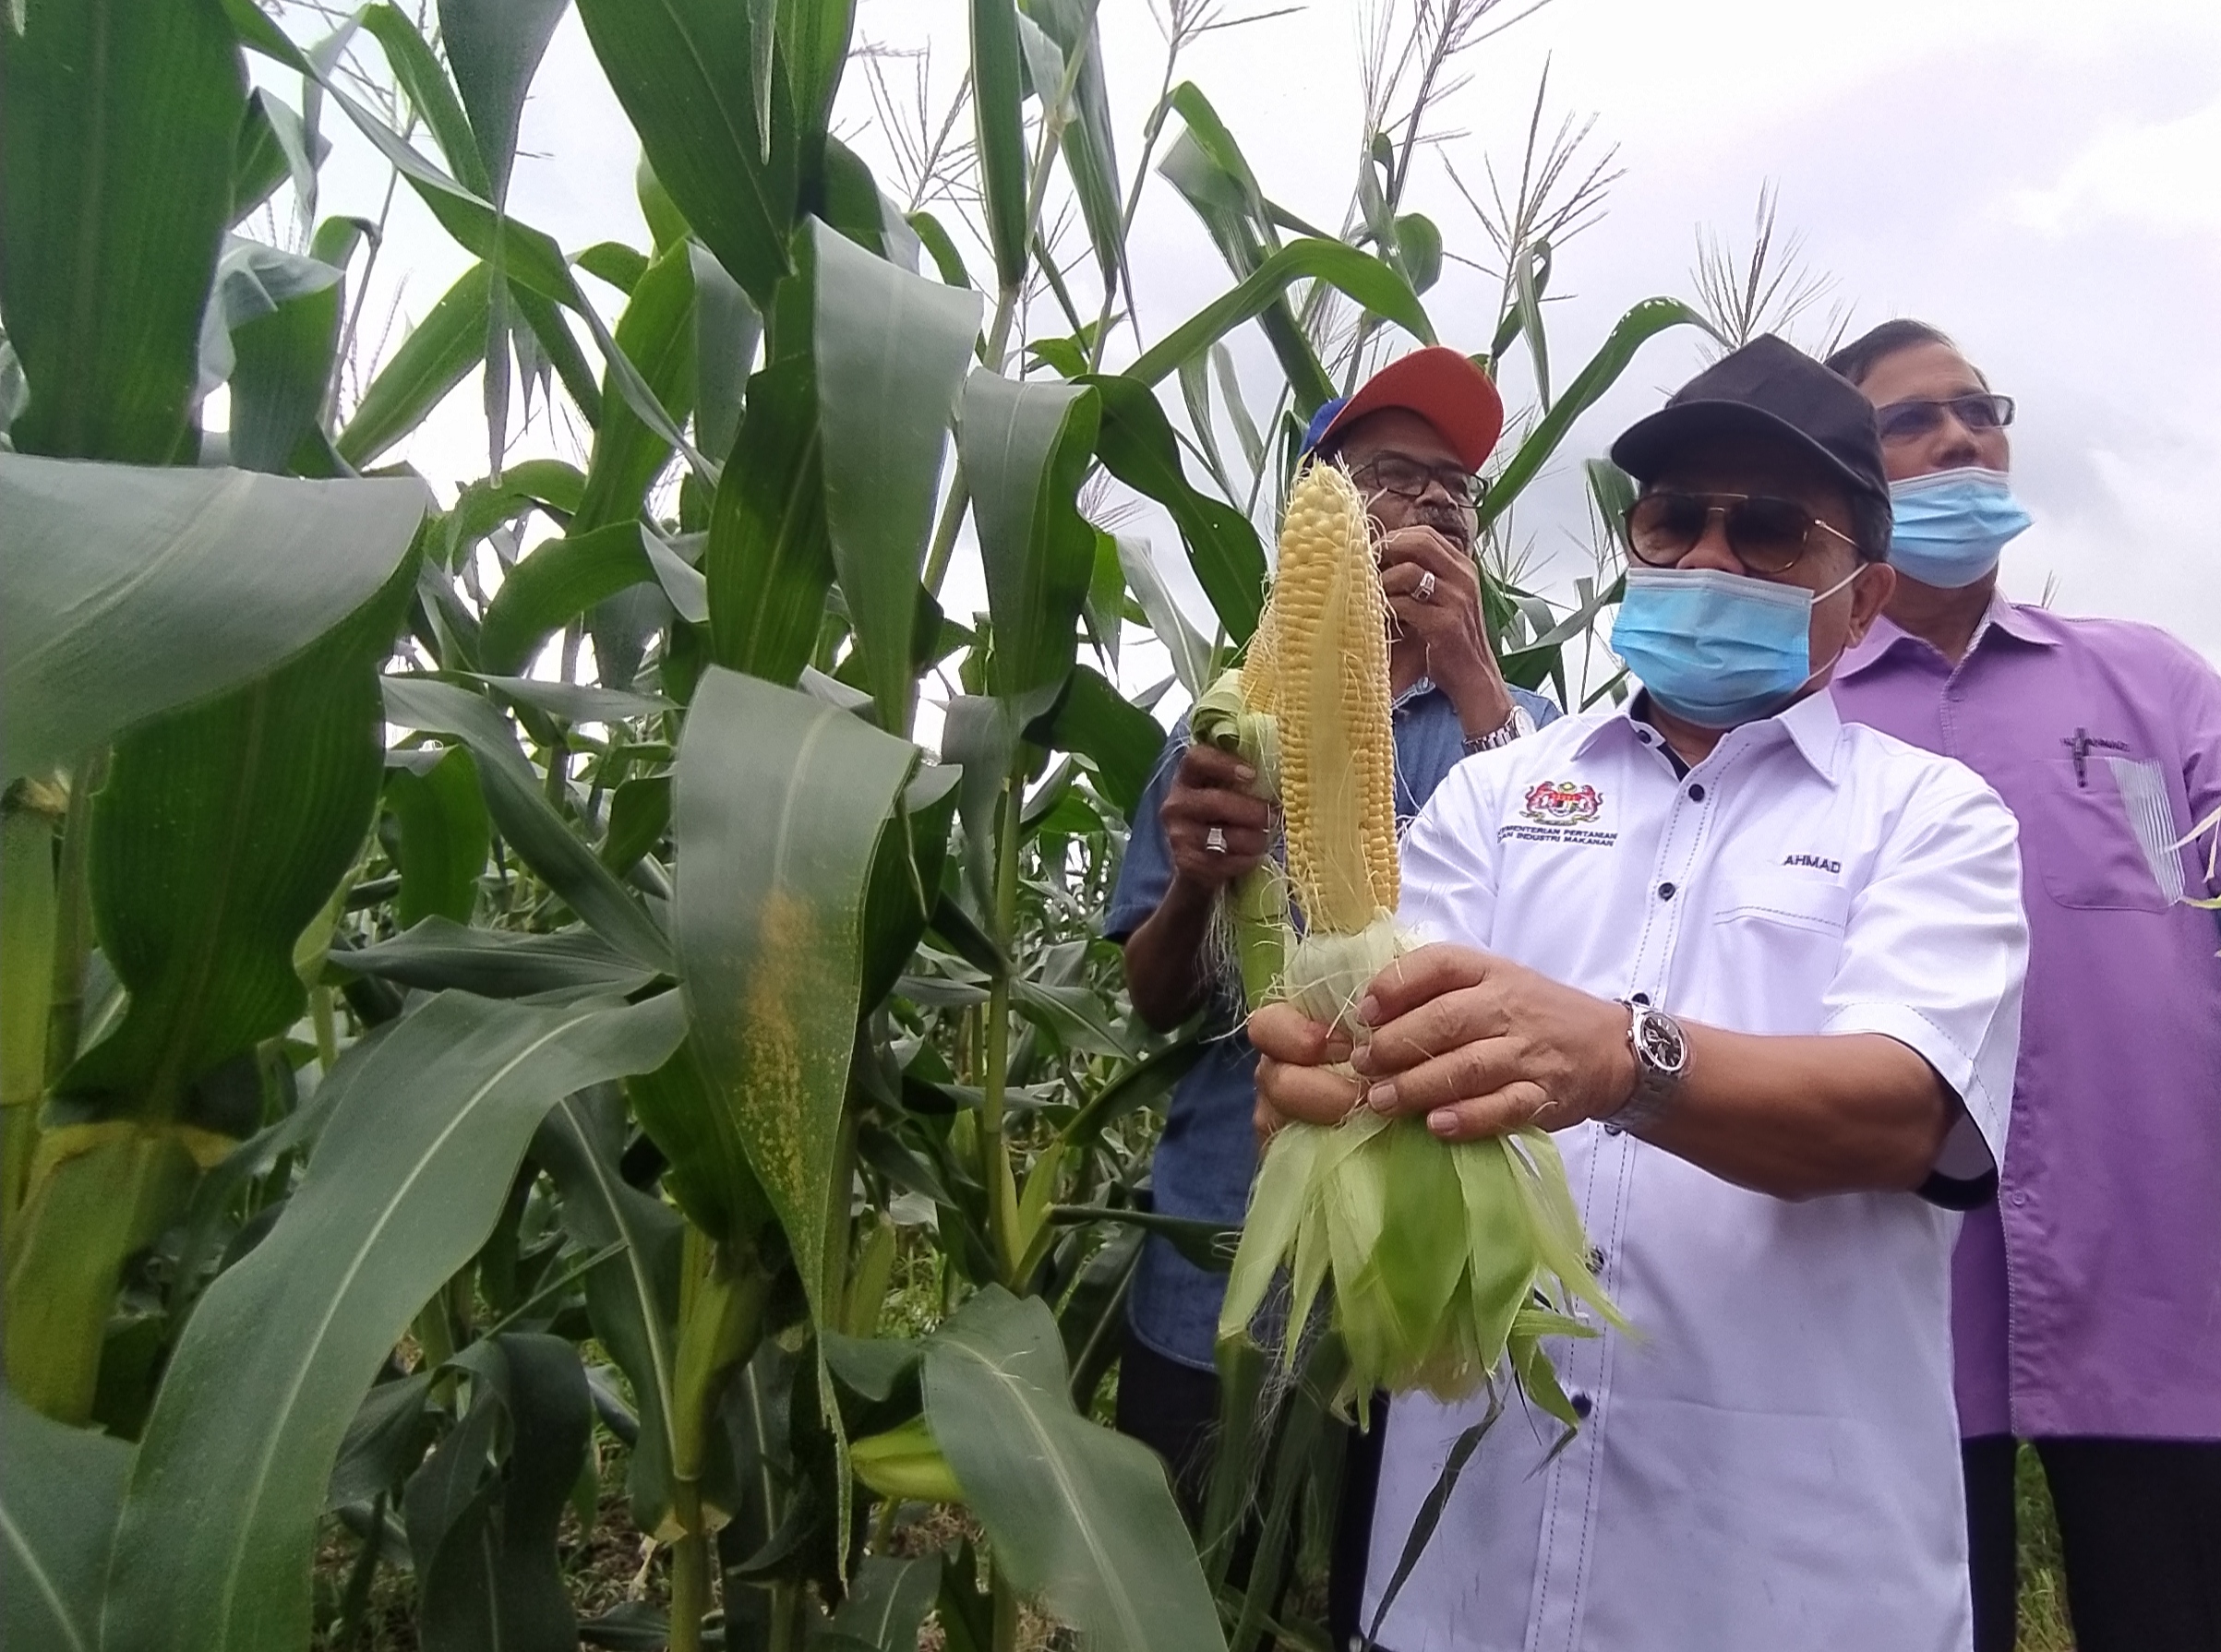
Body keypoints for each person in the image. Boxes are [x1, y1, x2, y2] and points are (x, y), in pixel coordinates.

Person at [1251, 335, 2031, 1651]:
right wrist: (1329, 1090)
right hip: (1468, 1577)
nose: (1710, 558)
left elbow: (1901, 1112)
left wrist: (1623, 1058)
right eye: (1675, 519)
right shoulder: (1496, 798)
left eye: (1771, 529)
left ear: (1862, 596)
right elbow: (1379, 1051)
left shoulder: (1933, 819)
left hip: (1785, 1584)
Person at [1824, 318, 2221, 1652]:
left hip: (2161, 1289)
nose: (1959, 437)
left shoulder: (2155, 689)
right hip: (1885, 1314)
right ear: (1845, 479)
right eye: (1910, 421)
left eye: (1977, 409)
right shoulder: (1798, 722)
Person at [1108, 346, 1559, 1511]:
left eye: (1456, 491)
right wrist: (1201, 883)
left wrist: (1473, 677)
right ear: (1321, 509)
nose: (1431, 504)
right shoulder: (1231, 723)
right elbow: (1153, 996)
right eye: (1394, 476)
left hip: (1432, 1260)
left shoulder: (1536, 735)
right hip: (1224, 1248)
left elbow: (1577, 945)